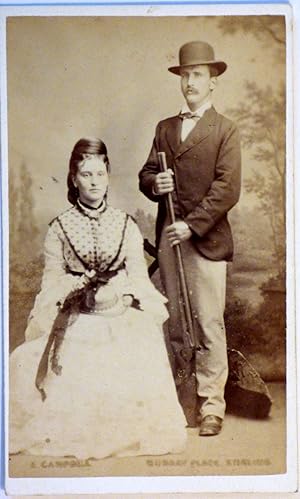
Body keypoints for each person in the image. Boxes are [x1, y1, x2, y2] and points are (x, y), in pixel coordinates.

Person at [9, 137, 187, 459]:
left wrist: (121, 295)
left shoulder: (125, 224)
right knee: (32, 360)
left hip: (118, 308)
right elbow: (52, 279)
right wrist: (77, 291)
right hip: (77, 312)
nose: (94, 182)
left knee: (139, 340)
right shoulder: (60, 227)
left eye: (100, 174)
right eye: (87, 175)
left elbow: (135, 274)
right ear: (74, 179)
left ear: (108, 176)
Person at [139, 41, 241, 436]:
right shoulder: (165, 128)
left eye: (197, 75)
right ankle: (183, 402)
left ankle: (212, 406)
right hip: (170, 240)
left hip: (205, 240)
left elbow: (227, 188)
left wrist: (192, 224)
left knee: (209, 323)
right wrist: (154, 181)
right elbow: (146, 174)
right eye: (185, 75)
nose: (189, 82)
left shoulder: (226, 129)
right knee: (177, 322)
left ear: (213, 82)